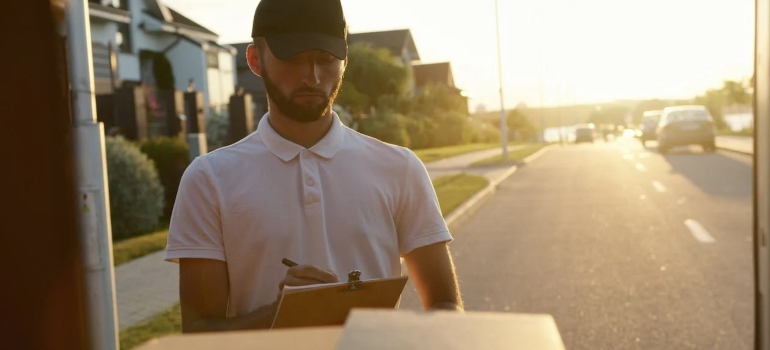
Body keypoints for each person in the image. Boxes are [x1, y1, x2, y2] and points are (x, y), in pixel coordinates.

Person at [165, 0, 464, 333]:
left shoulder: (400, 168)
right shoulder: (209, 179)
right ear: (254, 60)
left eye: (325, 59)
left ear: (344, 61)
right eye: (292, 58)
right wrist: (285, 313)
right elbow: (199, 331)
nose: (311, 76)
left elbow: (445, 306)